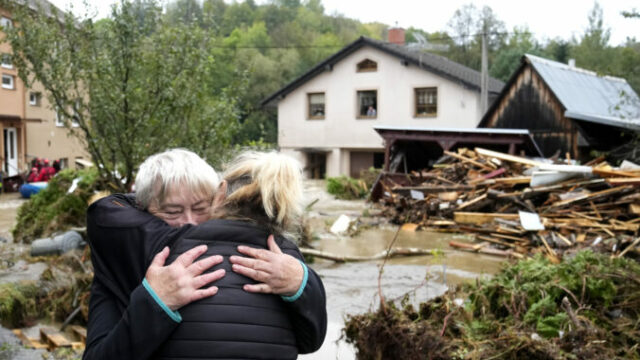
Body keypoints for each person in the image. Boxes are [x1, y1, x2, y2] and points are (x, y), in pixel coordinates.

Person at [84, 149, 326, 359]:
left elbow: (309, 340)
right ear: (141, 211)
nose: (189, 222)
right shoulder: (124, 254)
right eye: (172, 211)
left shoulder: (281, 262)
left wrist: (301, 282)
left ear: (219, 198)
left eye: (200, 208)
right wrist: (155, 302)